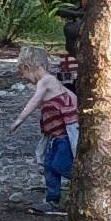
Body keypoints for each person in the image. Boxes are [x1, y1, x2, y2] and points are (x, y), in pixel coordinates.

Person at [21, 63, 78, 207]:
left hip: (64, 136)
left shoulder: (48, 82)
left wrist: (18, 120)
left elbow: (33, 102)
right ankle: (52, 199)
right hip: (53, 137)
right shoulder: (51, 87)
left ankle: (84, 182)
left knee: (60, 165)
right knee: (49, 166)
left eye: (23, 72)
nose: (23, 77)